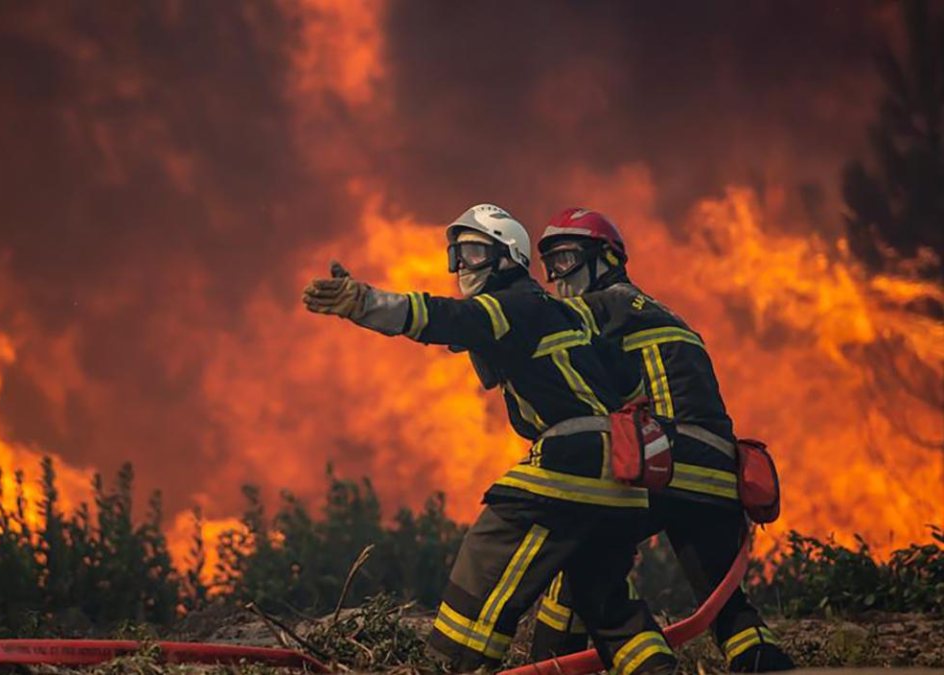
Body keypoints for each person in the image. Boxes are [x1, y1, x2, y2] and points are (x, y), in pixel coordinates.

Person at [303, 204, 677, 674]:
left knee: (485, 557)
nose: (462, 267)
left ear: (509, 258)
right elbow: (627, 385)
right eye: (456, 255)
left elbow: (443, 319)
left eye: (476, 252)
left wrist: (363, 302)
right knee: (602, 598)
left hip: (574, 459)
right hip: (623, 477)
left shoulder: (512, 303)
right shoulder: (564, 313)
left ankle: (452, 666)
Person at [531, 207, 796, 672]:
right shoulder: (660, 311)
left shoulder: (604, 305)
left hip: (666, 464)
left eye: (567, 259)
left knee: (583, 552)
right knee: (724, 599)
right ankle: (760, 658)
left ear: (606, 259)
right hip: (717, 473)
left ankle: (610, 661)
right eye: (549, 265)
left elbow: (538, 324)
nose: (557, 276)